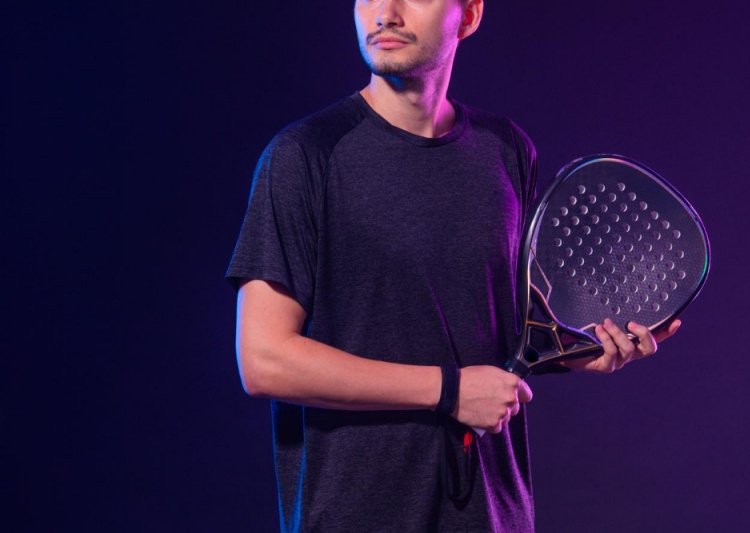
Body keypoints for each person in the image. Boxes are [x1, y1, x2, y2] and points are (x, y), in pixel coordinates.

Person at [226, 1, 681, 531]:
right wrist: (451, 390)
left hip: (494, 514)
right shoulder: (304, 155)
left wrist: (585, 352)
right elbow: (265, 360)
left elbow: (507, 326)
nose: (386, 13)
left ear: (468, 15)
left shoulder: (505, 150)